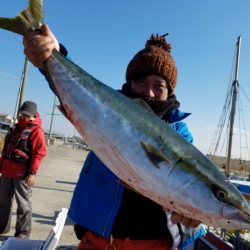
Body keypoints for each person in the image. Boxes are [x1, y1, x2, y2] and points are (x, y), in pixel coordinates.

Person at [23, 26, 205, 250]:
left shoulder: (179, 134)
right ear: (129, 84)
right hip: (96, 241)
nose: (149, 92)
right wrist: (53, 54)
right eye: (141, 82)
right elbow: (81, 93)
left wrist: (196, 210)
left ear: (170, 92)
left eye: (159, 86)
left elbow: (194, 183)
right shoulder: (106, 114)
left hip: (153, 244)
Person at [0, 101, 46, 239]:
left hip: (22, 175)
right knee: (3, 202)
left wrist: (32, 173)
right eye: (22, 113)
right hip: (7, 172)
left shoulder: (36, 131)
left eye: (26, 115)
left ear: (32, 116)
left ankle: (23, 233)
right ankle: (2, 227)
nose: (22, 117)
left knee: (23, 205)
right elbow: (5, 150)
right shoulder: (14, 128)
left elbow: (40, 153)